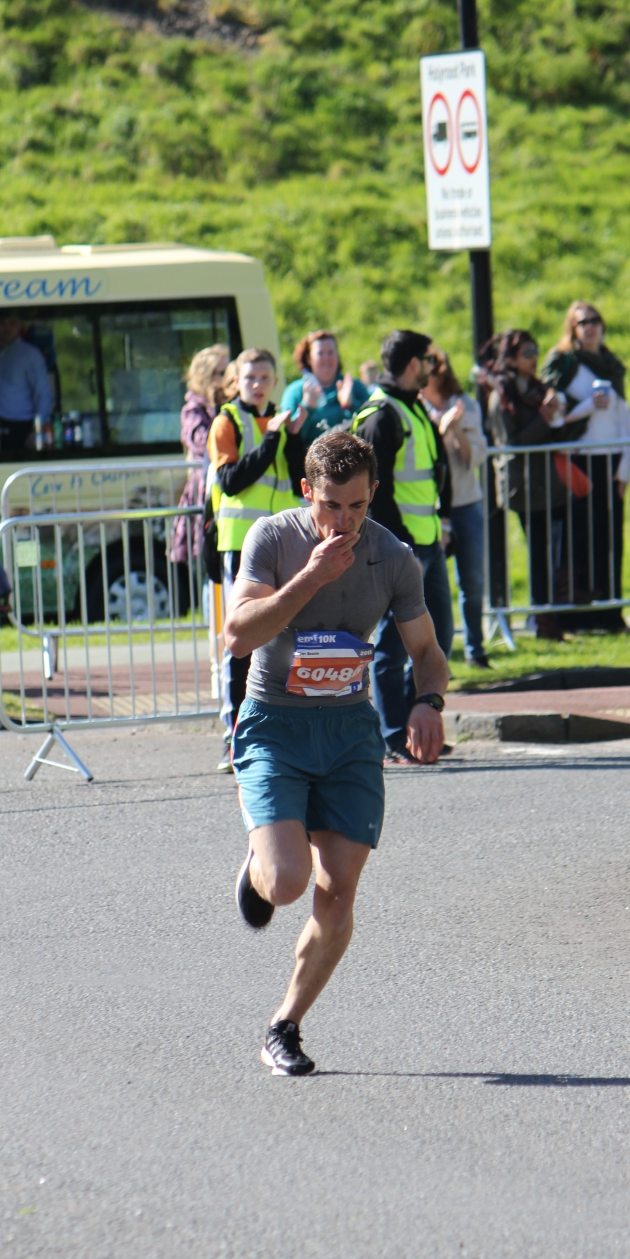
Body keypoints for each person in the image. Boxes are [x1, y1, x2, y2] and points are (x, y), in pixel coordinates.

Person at [224, 431, 448, 1075]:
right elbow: (238, 636)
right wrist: (311, 577)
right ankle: (262, 862)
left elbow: (427, 652)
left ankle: (285, 1026)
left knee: (339, 891)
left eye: (357, 506)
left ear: (373, 494)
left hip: (349, 732)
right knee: (287, 883)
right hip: (275, 726)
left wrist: (428, 703)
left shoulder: (394, 558)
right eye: (330, 505)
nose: (344, 521)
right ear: (307, 491)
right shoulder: (272, 539)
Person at [351, 329, 453, 764]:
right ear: (414, 364)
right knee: (393, 649)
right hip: (403, 549)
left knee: (436, 639)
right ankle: (394, 737)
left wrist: (443, 521)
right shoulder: (382, 415)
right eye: (429, 360)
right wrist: (398, 547)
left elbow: (435, 471)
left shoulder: (413, 406)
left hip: (428, 542)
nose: (433, 368)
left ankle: (420, 729)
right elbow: (376, 493)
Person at [207, 347, 308, 763]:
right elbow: (231, 480)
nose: (258, 385)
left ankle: (279, 731)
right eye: (250, 378)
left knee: (286, 637)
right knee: (242, 640)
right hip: (241, 545)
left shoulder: (281, 421)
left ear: (275, 382)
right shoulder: (227, 421)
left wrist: (294, 436)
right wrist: (271, 440)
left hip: (282, 542)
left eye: (265, 378)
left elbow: (298, 477)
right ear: (236, 381)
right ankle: (235, 737)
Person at [485, 330, 586, 641]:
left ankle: (552, 617)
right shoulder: (501, 396)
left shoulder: (539, 389)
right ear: (512, 359)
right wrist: (544, 416)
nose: (534, 358)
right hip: (525, 488)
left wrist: (561, 415)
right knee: (540, 555)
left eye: (536, 351)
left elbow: (554, 434)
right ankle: (544, 623)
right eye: (527, 353)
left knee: (558, 552)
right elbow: (511, 444)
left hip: (550, 482)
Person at [541, 301, 630, 631]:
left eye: (595, 320)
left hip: (610, 459)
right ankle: (574, 617)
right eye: (583, 322)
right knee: (576, 539)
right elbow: (553, 415)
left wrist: (625, 467)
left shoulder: (611, 364)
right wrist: (588, 406)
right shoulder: (563, 362)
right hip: (577, 459)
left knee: (609, 539)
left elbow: (624, 417)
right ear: (573, 328)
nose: (590, 327)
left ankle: (611, 614)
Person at [420, 346, 488, 668]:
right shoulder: (414, 406)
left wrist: (455, 429)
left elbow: (476, 457)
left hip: (466, 504)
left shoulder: (465, 405)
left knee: (472, 581)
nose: (433, 373)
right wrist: (439, 429)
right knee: (431, 588)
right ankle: (434, 657)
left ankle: (476, 649)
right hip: (428, 509)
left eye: (437, 366)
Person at [169, 344, 229, 566]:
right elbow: (201, 442)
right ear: (206, 376)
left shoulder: (231, 405)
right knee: (209, 561)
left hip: (226, 489)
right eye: (222, 373)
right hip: (205, 490)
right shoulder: (193, 409)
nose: (227, 379)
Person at [0, 312, 54, 459]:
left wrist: (36, 431)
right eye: (2, 323)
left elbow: (44, 394)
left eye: (12, 323)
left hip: (20, 428)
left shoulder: (31, 355)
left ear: (20, 324)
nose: (7, 328)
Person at [280, 331, 371, 440]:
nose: (326, 358)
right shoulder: (295, 392)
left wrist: (350, 406)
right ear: (309, 359)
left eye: (330, 352)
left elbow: (370, 428)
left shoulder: (355, 387)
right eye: (320, 353)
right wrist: (307, 408)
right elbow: (288, 438)